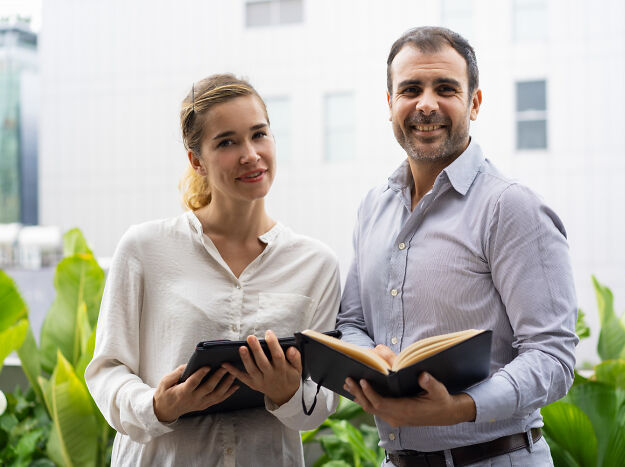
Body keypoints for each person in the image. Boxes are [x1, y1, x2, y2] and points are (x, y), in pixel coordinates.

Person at [337, 26, 578, 466]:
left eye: (445, 88)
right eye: (410, 89)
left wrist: (462, 407)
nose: (426, 103)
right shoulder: (373, 206)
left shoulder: (510, 207)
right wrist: (371, 360)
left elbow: (553, 356)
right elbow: (351, 321)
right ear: (390, 103)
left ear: (474, 102)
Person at [85, 74, 340, 466]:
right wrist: (159, 405)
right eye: (227, 142)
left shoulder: (316, 264)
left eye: (259, 135)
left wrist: (288, 392)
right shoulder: (144, 249)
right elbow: (106, 371)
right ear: (196, 161)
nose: (250, 154)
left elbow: (320, 402)